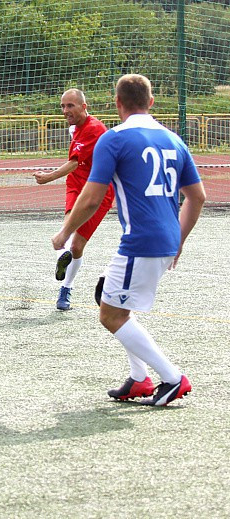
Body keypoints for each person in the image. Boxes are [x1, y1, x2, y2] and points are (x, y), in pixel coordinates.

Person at [52, 74, 205, 406]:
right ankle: (139, 379)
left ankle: (173, 378)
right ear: (151, 102)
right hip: (165, 240)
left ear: (117, 103)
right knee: (107, 295)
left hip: (141, 242)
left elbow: (92, 198)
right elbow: (197, 197)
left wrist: (65, 233)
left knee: (111, 315)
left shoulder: (114, 138)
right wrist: (178, 240)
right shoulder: (174, 139)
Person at [34, 88, 115, 311]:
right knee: (68, 231)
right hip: (76, 185)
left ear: (84, 106)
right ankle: (64, 278)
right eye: (62, 106)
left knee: (77, 245)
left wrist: (48, 177)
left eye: (70, 106)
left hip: (99, 192)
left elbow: (74, 162)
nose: (65, 110)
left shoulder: (95, 129)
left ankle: (66, 285)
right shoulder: (74, 128)